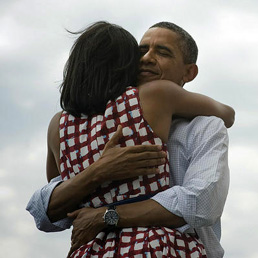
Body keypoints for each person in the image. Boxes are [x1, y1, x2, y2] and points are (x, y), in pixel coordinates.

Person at [27, 21, 234, 258]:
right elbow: (49, 208)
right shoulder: (149, 101)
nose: (146, 58)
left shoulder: (204, 127)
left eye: (162, 52)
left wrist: (105, 214)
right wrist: (99, 170)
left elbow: (201, 203)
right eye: (140, 51)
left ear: (189, 72)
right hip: (158, 247)